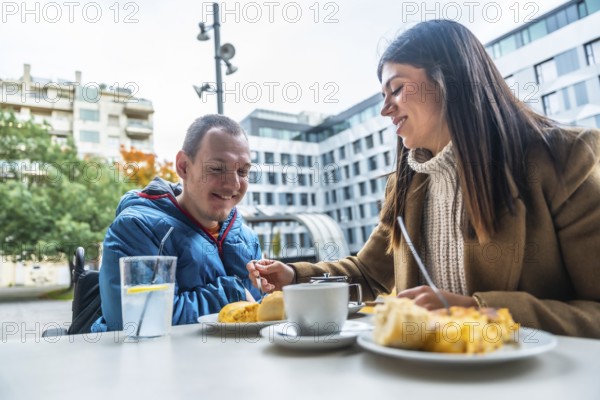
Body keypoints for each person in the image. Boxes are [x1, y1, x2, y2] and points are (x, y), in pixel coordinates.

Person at [247, 20, 600, 338]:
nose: (386, 110)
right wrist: (295, 277)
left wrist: (477, 312)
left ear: (449, 80)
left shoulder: (563, 159)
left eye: (397, 89)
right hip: (425, 376)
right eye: (383, 97)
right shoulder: (407, 185)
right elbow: (369, 272)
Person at [93, 114, 261, 332]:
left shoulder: (247, 237)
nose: (233, 184)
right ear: (183, 166)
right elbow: (138, 322)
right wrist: (233, 294)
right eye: (217, 169)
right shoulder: (136, 227)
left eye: (242, 171)